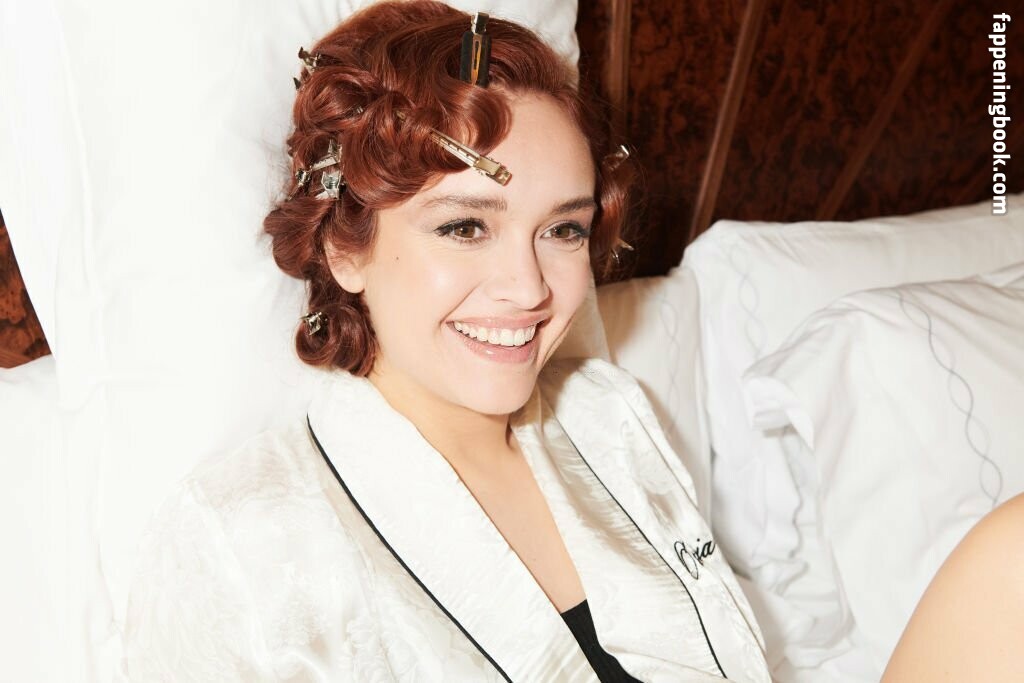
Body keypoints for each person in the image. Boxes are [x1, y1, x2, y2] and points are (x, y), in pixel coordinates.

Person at [121, 2, 1024, 682]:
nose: (528, 287)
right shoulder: (239, 540)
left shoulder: (607, 419)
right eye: (465, 227)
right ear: (345, 248)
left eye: (562, 229)